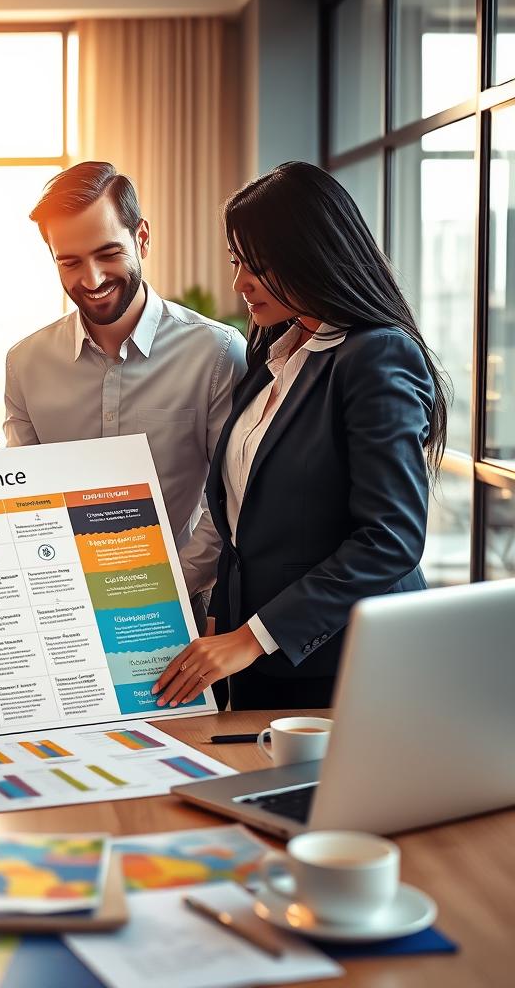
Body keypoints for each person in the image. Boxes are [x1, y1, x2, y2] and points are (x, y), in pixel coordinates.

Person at [152, 161, 447, 711]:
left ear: (311, 257)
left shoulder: (376, 355)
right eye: (238, 261)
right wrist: (225, 623)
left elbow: (391, 538)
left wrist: (250, 637)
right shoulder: (273, 354)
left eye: (259, 266)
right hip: (260, 664)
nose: (240, 283)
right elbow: (244, 516)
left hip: (348, 666)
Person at [0, 162, 247, 628]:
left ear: (141, 238)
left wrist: (166, 588)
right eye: (70, 262)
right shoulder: (25, 363)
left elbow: (229, 499)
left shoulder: (217, 352)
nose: (91, 279)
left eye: (108, 253)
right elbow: (32, 497)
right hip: (58, 609)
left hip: (177, 605)